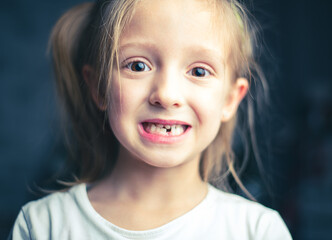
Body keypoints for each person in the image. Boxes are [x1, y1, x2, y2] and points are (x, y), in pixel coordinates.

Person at [9, 0, 292, 239]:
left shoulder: (258, 231)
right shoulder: (42, 226)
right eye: (137, 65)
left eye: (199, 71)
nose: (166, 95)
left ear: (230, 99)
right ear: (98, 88)